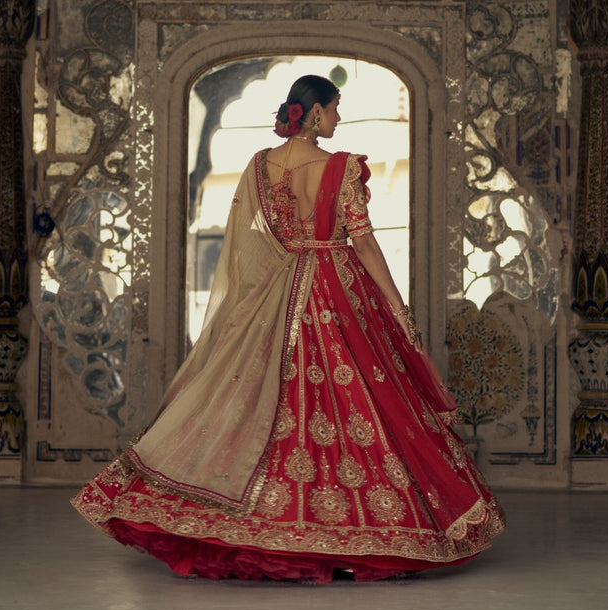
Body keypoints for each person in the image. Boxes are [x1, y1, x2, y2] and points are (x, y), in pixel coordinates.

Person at [71, 74, 505, 581]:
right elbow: (362, 243)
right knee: (359, 401)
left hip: (275, 289)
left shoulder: (261, 165)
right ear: (315, 112)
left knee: (266, 402)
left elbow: (251, 242)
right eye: (336, 108)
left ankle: (260, 523)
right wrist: (398, 307)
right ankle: (349, 532)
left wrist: (252, 303)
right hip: (337, 290)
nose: (339, 118)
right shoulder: (340, 169)